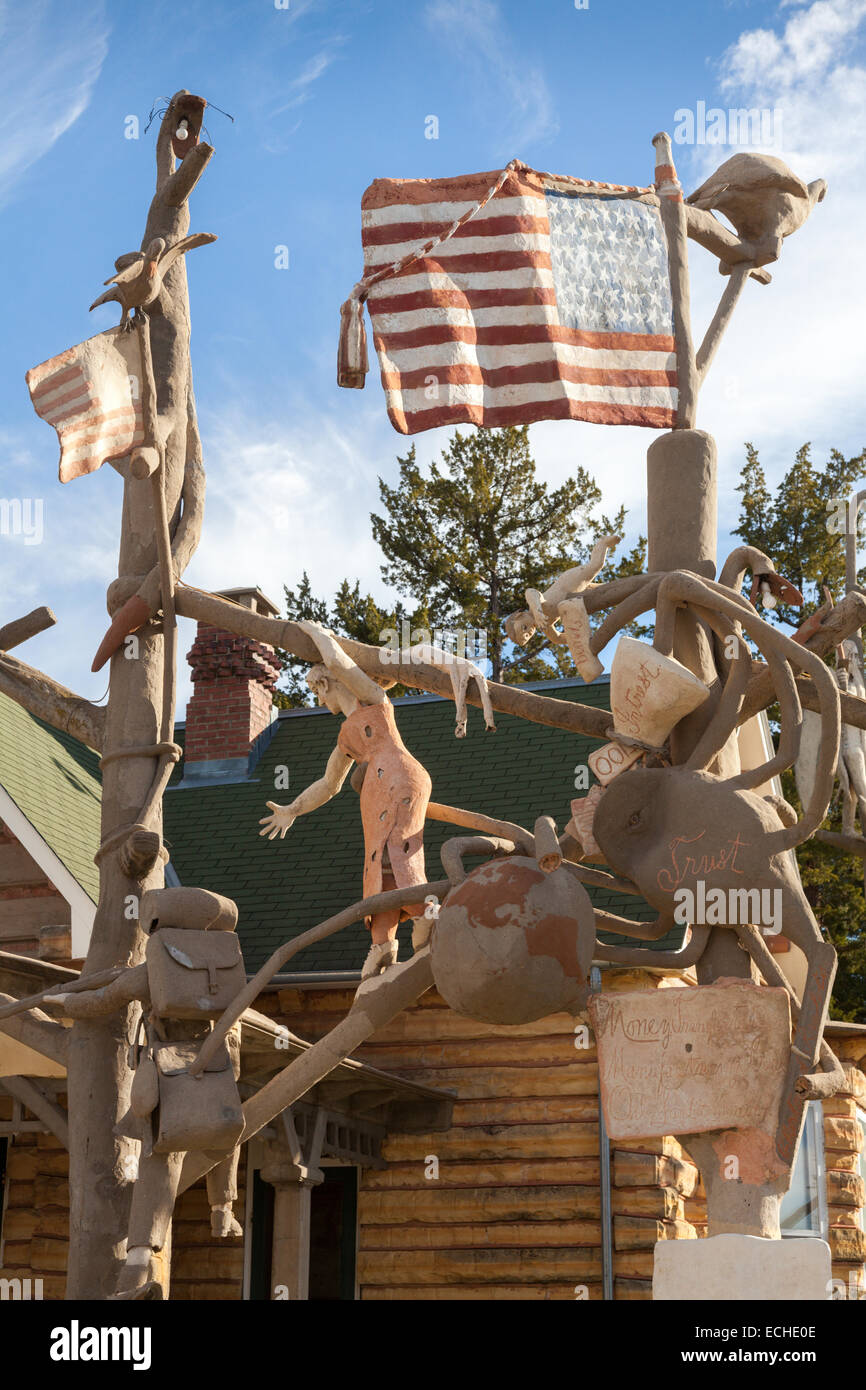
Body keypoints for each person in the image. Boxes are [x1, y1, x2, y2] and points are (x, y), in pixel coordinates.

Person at [259, 622, 433, 980]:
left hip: (399, 779)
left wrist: (318, 634)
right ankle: (383, 944)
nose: (319, 701)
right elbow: (328, 784)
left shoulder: (375, 701)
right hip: (377, 792)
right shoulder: (347, 735)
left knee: (398, 852)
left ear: (325, 684)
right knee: (378, 862)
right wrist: (292, 809)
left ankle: (428, 914)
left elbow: (338, 662)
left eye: (317, 692)